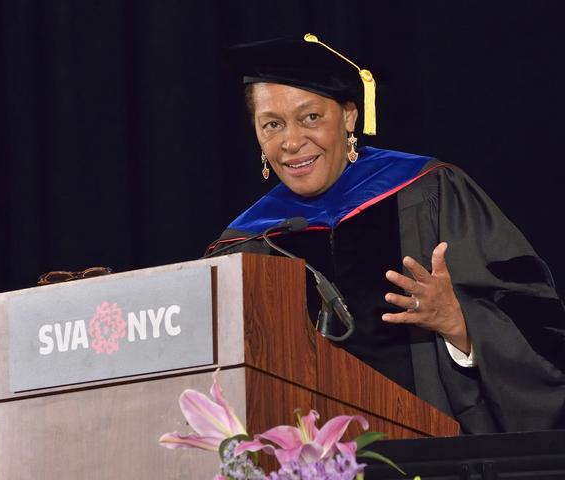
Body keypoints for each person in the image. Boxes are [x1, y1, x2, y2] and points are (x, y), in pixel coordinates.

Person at [206, 34, 565, 434]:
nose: (291, 141)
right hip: (305, 458)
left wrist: (461, 324)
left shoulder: (429, 191)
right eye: (272, 124)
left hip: (435, 450)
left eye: (311, 118)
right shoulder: (247, 242)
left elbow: (539, 327)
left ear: (349, 117)